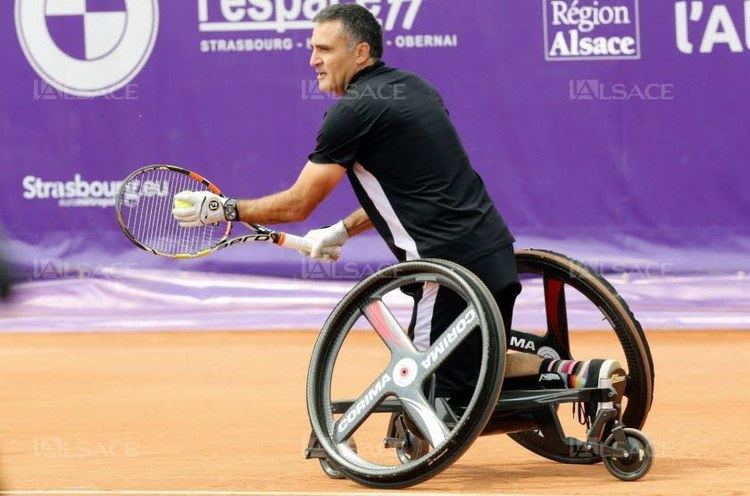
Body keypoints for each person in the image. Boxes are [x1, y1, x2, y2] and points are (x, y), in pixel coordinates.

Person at [172, 4, 624, 412]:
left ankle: (573, 374)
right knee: (473, 361)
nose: (313, 60)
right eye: (312, 49)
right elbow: (413, 190)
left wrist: (225, 209)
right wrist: (343, 232)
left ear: (361, 52)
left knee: (433, 391)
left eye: (325, 49)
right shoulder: (415, 89)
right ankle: (572, 372)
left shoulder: (351, 112)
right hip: (495, 258)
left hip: (445, 272)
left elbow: (297, 203)